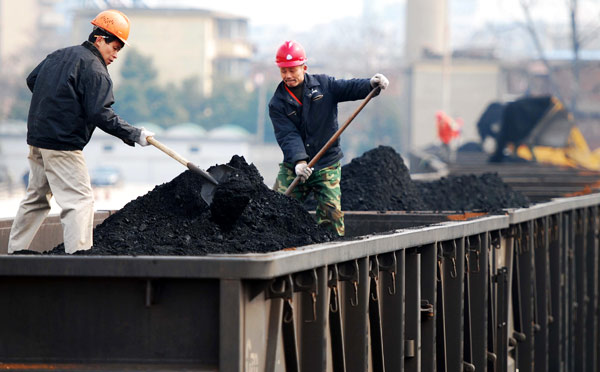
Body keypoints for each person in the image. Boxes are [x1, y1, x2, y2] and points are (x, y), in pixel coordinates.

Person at [8, 9, 155, 254]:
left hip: (37, 140)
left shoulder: (59, 55)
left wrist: (57, 103)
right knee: (79, 201)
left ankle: (13, 253)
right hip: (63, 145)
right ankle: (79, 258)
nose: (116, 55)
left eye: (119, 49)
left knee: (36, 199)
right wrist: (136, 134)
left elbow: (33, 80)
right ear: (99, 38)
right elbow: (101, 114)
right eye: (115, 47)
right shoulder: (95, 71)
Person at [269, 40, 389, 237]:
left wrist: (370, 84)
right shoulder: (277, 103)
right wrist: (299, 161)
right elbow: (287, 135)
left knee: (331, 215)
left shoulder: (324, 85)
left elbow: (348, 87)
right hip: (295, 168)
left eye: (292, 70)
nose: (288, 76)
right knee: (275, 210)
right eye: (283, 71)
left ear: (304, 67)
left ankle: (333, 256)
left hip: (326, 164)